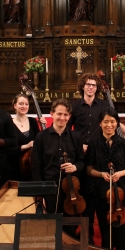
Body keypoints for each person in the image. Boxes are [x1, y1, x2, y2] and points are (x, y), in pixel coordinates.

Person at [86, 107, 125, 250]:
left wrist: (120, 174)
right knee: (106, 233)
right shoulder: (94, 144)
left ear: (117, 123)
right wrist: (101, 175)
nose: (109, 125)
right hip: (101, 194)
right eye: (105, 121)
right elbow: (89, 168)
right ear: (100, 123)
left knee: (121, 233)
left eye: (112, 121)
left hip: (122, 195)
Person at [31, 98, 85, 237]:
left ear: (69, 117)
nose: (62, 118)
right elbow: (36, 166)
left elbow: (82, 161)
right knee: (51, 227)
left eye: (66, 115)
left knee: (70, 227)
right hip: (50, 188)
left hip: (71, 189)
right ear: (52, 114)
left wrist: (74, 167)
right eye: (59, 114)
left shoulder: (75, 137)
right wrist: (40, 193)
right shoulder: (41, 137)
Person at [68, 72, 109, 244]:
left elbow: (108, 126)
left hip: (96, 157)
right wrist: (79, 146)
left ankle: (90, 237)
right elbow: (68, 129)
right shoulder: (75, 106)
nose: (91, 87)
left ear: (97, 88)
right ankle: (76, 235)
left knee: (93, 198)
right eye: (88, 84)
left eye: (93, 85)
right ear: (82, 86)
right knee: (79, 194)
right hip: (79, 156)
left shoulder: (104, 105)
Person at [9, 93, 46, 181]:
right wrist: (26, 146)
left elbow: (40, 141)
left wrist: (44, 127)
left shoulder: (33, 121)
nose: (24, 106)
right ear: (15, 105)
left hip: (32, 164)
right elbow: (8, 149)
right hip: (15, 166)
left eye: (26, 104)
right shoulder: (9, 124)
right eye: (21, 103)